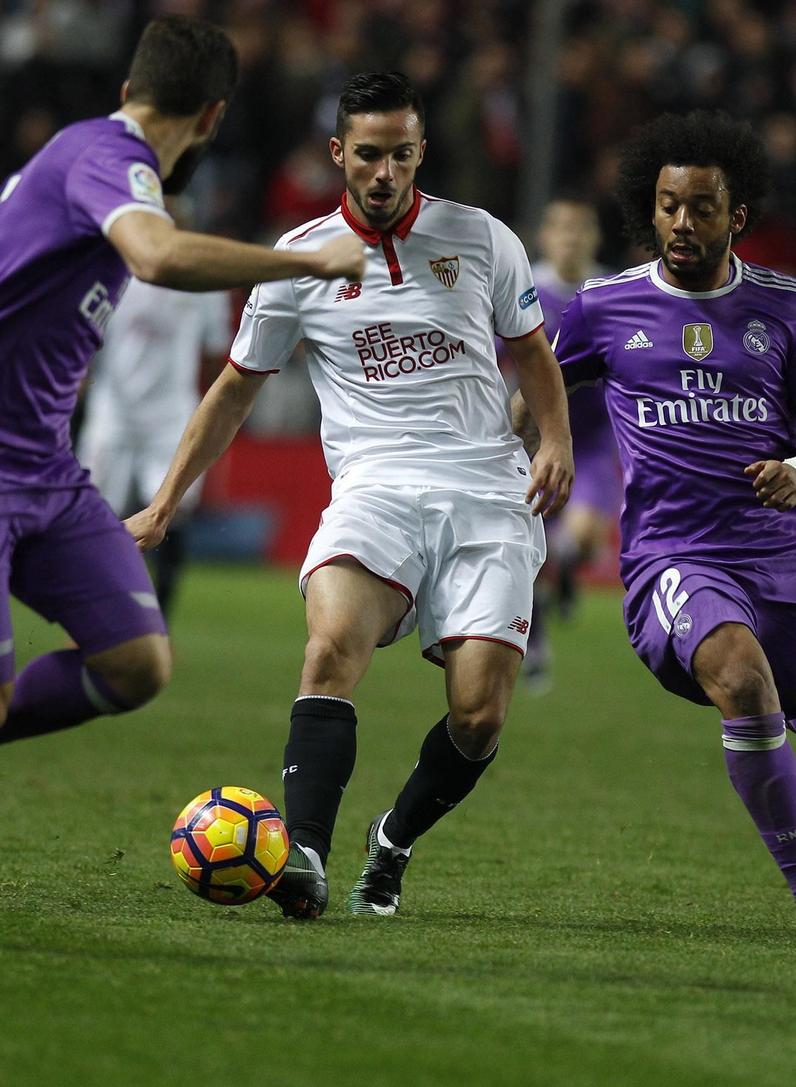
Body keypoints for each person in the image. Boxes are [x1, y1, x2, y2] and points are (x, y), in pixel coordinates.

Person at [0, 16, 366, 947]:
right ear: (212, 117)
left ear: (129, 87)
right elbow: (156, 255)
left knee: (136, 663)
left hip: (38, 464)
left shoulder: (96, 161)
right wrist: (307, 259)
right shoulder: (103, 159)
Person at [125, 71, 574, 919]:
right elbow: (233, 389)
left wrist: (555, 437)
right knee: (331, 646)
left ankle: (393, 837)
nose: (384, 172)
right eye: (368, 154)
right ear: (338, 153)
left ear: (420, 153)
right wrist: (164, 501)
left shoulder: (480, 237)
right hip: (375, 487)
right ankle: (304, 856)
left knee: (477, 718)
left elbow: (534, 351)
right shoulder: (296, 260)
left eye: (401, 154)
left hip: (486, 490)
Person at [516, 110, 796, 937]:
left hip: (784, 553)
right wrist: (535, 443)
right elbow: (529, 394)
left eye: (700, 208)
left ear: (737, 216)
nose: (682, 223)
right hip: (673, 559)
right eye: (666, 206)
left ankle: (756, 709)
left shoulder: (788, 307)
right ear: (648, 211)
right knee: (743, 675)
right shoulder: (603, 306)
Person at [78, 195, 233, 619]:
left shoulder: (203, 277)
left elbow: (216, 348)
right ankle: (91, 616)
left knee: (171, 515)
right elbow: (87, 336)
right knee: (97, 512)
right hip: (115, 407)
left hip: (171, 415)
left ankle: (158, 623)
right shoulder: (117, 269)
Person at [521, 196, 618, 688]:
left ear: (594, 238)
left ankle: (565, 575)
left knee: (579, 540)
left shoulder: (613, 294)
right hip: (536, 439)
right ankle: (535, 641)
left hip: (596, 441)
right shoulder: (525, 290)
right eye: (561, 229)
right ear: (545, 236)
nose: (570, 239)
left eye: (580, 229)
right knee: (534, 548)